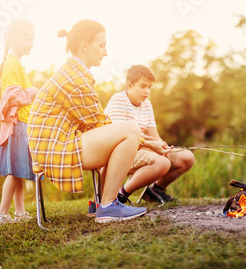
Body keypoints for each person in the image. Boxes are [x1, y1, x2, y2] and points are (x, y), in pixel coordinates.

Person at [27, 19, 167, 223]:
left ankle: (101, 203)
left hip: (59, 146)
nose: (106, 52)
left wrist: (148, 143)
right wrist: (147, 142)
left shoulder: (74, 73)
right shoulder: (74, 78)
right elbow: (101, 124)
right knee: (130, 130)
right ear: (85, 45)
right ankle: (108, 206)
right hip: (57, 151)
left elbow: (99, 123)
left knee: (128, 132)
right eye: (101, 45)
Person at [104, 65, 195, 205]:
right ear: (129, 85)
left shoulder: (146, 104)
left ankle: (154, 192)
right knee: (162, 163)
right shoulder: (118, 100)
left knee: (187, 157)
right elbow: (117, 137)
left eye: (150, 87)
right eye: (143, 86)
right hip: (123, 153)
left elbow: (155, 137)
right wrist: (153, 147)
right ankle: (121, 195)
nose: (147, 91)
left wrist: (163, 147)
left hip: (144, 149)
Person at [0, 20, 36, 225]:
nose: (31, 43)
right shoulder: (11, 64)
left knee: (18, 171)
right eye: (28, 39)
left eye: (32, 39)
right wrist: (33, 92)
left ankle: (19, 213)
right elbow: (12, 98)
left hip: (22, 125)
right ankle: (2, 215)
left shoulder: (17, 64)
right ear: (14, 39)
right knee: (13, 171)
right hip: (17, 126)